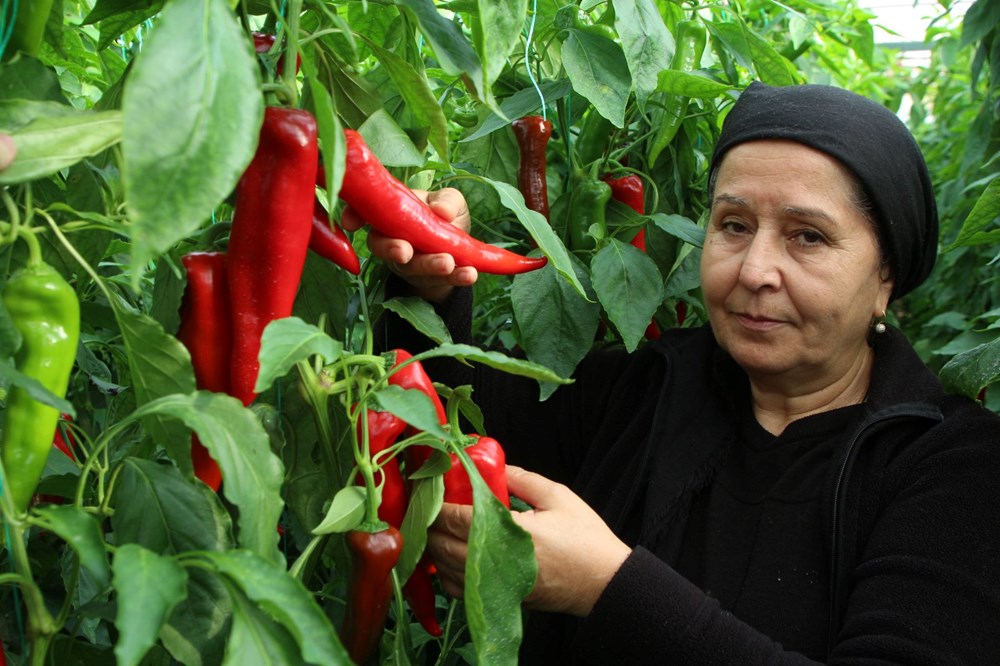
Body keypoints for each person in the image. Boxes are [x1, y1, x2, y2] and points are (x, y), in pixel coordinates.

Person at [346, 82, 1000, 663]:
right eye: (734, 225)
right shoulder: (648, 386)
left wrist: (606, 588)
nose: (753, 271)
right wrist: (430, 289)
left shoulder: (952, 467)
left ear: (886, 274)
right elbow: (449, 423)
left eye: (808, 237)